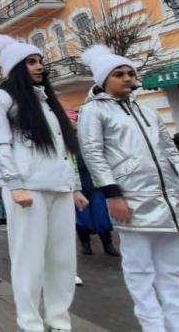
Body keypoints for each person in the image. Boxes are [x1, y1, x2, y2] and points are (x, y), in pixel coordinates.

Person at [77, 45, 179, 332]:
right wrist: (112, 194)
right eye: (118, 74)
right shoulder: (93, 111)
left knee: (171, 271)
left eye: (130, 73)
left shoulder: (149, 111)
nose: (127, 78)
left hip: (169, 200)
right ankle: (152, 326)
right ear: (102, 79)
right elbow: (93, 154)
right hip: (132, 200)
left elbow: (171, 152)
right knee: (139, 271)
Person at [0, 35, 87, 332]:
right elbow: (1, 145)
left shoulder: (48, 102)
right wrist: (14, 184)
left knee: (63, 258)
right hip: (27, 188)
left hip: (59, 187)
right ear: (17, 67)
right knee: (28, 258)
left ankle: (59, 319)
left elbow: (64, 149)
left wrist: (76, 186)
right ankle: (29, 321)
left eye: (40, 61)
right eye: (31, 62)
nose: (39, 66)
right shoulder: (3, 99)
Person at [66, 110, 118, 258]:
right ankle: (85, 244)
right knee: (82, 217)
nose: (74, 131)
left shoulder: (89, 139)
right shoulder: (64, 143)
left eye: (75, 127)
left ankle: (108, 244)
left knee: (101, 215)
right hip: (77, 185)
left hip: (94, 183)